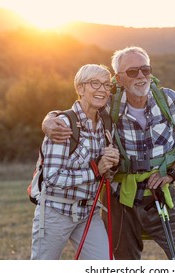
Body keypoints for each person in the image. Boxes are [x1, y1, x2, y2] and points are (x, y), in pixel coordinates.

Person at [43, 46, 175, 260]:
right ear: (118, 79)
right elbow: (79, 109)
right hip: (119, 200)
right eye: (132, 72)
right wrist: (48, 119)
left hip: (162, 196)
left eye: (145, 70)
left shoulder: (169, 99)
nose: (140, 76)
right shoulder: (109, 104)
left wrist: (172, 172)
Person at [31, 64, 120, 260]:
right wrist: (95, 170)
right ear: (80, 89)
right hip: (56, 212)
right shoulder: (62, 124)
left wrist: (111, 163)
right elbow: (52, 178)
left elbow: (105, 173)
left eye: (106, 85)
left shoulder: (106, 123)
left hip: (89, 213)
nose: (102, 89)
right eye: (95, 83)